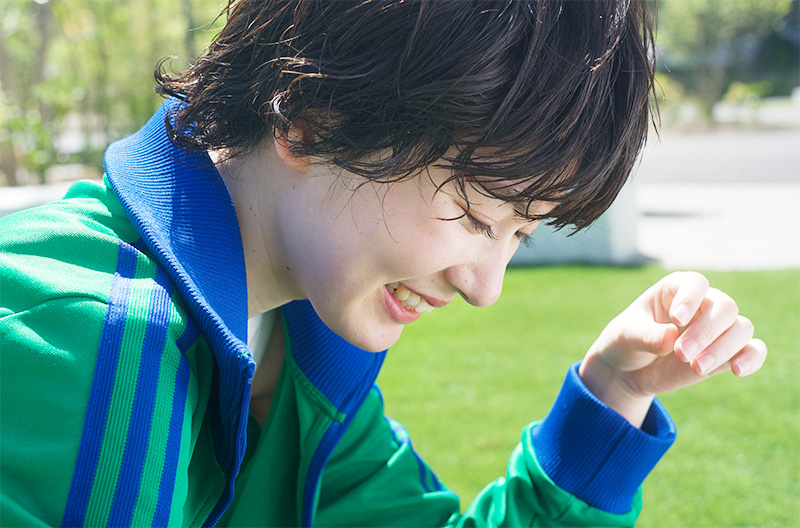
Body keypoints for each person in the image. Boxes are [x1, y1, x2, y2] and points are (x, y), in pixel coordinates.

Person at [0, 1, 767, 526]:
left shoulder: (300, 358)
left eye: (519, 236)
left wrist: (615, 391)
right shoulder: (77, 339)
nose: (485, 288)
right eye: (473, 215)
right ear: (310, 120)